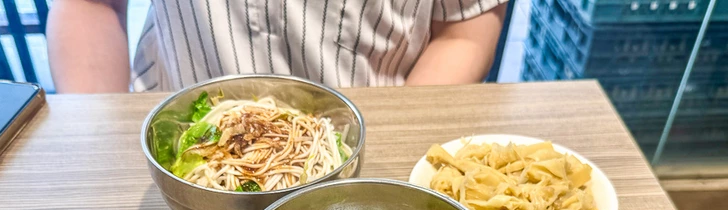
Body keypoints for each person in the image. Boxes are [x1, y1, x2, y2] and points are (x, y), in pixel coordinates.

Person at [47, 0, 508, 93]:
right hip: (176, 120)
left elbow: (463, 28)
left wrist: (398, 132)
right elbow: (89, 4)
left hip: (378, 126)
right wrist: (106, 134)